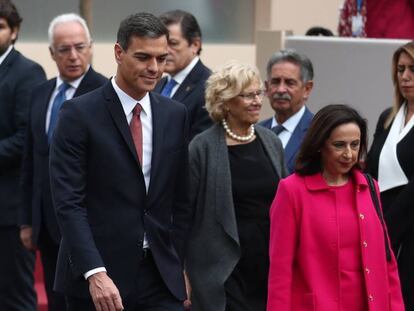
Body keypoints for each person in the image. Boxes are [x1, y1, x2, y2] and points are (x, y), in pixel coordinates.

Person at [49, 12, 192, 311]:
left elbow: (180, 199)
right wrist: (94, 272)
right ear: (118, 52)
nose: (154, 68)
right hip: (99, 279)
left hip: (160, 277)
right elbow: (68, 202)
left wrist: (177, 263)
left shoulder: (175, 114)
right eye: (142, 57)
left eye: (161, 58)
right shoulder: (78, 114)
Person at [268, 104, 404, 311]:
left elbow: (388, 261)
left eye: (355, 145)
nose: (349, 154)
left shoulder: (369, 187)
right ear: (320, 145)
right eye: (339, 145)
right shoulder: (291, 191)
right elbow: (280, 271)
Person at [19, 13, 107, 311]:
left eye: (80, 47)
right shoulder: (40, 93)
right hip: (45, 222)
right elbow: (31, 160)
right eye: (64, 49)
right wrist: (27, 220)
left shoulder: (104, 94)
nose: (73, 56)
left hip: (87, 225)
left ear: (91, 48)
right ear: (51, 53)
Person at [186, 61, 288, 311]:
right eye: (247, 95)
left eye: (257, 93)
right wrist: (183, 273)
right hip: (223, 268)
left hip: (267, 262)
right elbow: (183, 214)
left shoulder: (271, 141)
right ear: (225, 102)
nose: (256, 101)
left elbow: (286, 202)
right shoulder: (202, 148)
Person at [0, 0, 46, 310]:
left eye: (0, 25)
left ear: (14, 32)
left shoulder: (28, 72)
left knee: (15, 296)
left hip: (9, 210)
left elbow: (26, 138)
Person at [366, 40, 414, 310]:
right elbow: (371, 170)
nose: (405, 77)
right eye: (400, 69)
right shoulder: (388, 117)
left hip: (402, 230)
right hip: (379, 225)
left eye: (413, 69)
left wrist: (386, 230)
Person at [154, 9, 212, 140]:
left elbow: (200, 145)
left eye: (173, 43)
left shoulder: (210, 87)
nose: (165, 51)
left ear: (195, 45)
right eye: (162, 44)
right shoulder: (159, 84)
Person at [259, 49, 314, 174]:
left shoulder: (318, 132)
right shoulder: (255, 132)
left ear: (307, 89)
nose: (281, 89)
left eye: (290, 83)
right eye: (275, 82)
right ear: (267, 88)